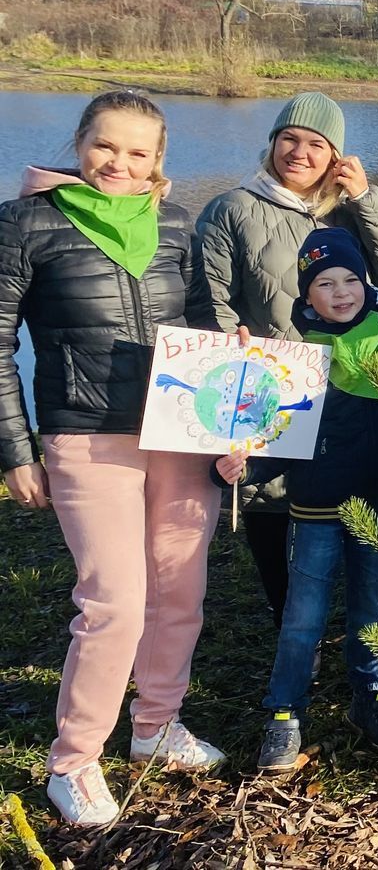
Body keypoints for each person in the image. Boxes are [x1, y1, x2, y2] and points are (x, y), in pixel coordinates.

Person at [0, 92, 225, 825]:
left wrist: (235, 404)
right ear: (79, 141)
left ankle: (156, 727)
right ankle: (74, 761)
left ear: (159, 159)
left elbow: (199, 326)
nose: (119, 164)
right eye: (106, 146)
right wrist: (15, 449)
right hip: (84, 434)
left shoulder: (175, 224)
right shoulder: (26, 223)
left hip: (178, 434)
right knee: (115, 605)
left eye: (138, 152)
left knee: (179, 595)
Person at [215, 227, 378, 771]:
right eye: (324, 283)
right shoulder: (294, 357)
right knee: (302, 617)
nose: (340, 292)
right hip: (315, 507)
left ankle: (370, 701)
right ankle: (284, 712)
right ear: (305, 296)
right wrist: (240, 468)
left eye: (350, 279)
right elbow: (273, 438)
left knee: (370, 609)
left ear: (366, 283)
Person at [196, 91, 378, 628]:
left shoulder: (348, 211)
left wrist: (366, 196)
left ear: (335, 155)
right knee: (273, 499)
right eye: (289, 139)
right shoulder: (233, 209)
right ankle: (289, 618)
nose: (299, 153)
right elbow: (210, 299)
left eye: (316, 145)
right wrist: (233, 356)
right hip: (275, 381)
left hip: (354, 381)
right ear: (273, 142)